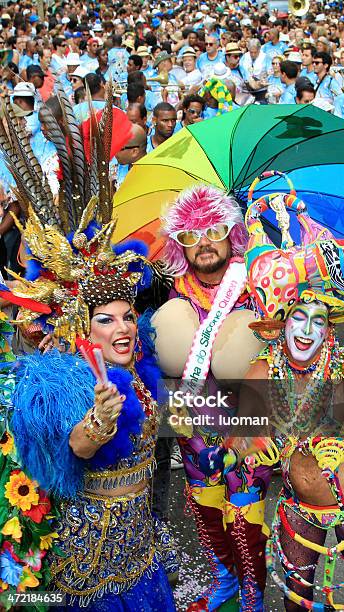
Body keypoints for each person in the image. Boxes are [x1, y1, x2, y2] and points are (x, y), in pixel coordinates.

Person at [0, 87, 177, 610]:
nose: (122, 327)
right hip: (92, 561)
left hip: (140, 548)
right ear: (82, 325)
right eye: (106, 320)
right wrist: (100, 420)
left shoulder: (139, 364)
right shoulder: (67, 382)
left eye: (127, 316)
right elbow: (75, 447)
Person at [229, 173, 344, 610]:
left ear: (330, 326)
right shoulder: (261, 370)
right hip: (297, 507)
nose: (306, 329)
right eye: (297, 317)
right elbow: (235, 442)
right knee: (296, 600)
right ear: (281, 323)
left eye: (318, 319)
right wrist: (259, 446)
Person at [151, 185, 274, 611]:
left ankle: (253, 592)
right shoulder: (173, 293)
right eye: (190, 235)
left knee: (245, 514)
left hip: (246, 429)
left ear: (232, 234)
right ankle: (225, 578)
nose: (203, 242)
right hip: (195, 430)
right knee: (206, 509)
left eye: (213, 229)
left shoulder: (258, 281)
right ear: (179, 244)